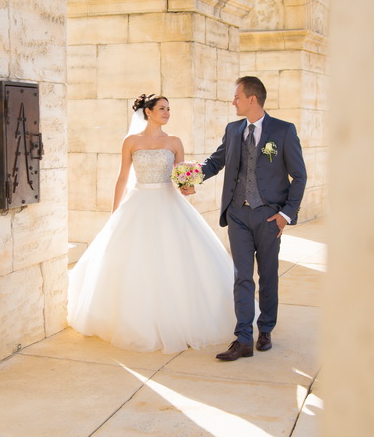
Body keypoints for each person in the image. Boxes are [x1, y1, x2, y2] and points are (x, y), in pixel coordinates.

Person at [67, 94, 235, 353]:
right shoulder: (131, 141)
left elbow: (181, 178)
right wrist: (115, 212)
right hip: (139, 202)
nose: (167, 113)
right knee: (138, 261)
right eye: (162, 109)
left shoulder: (175, 141)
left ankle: (182, 320)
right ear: (148, 112)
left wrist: (187, 187)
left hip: (169, 202)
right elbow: (123, 178)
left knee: (176, 258)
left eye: (169, 109)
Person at [183, 76, 307, 361]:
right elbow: (216, 161)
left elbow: (299, 176)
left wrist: (285, 215)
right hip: (237, 213)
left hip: (269, 216)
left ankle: (265, 329)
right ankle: (243, 337)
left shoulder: (283, 131)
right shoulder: (233, 129)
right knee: (241, 276)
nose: (233, 102)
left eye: (237, 97)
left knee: (267, 275)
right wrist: (191, 177)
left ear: (252, 99)